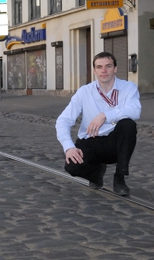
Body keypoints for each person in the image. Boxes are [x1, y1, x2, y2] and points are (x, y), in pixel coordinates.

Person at [55, 52, 141, 196]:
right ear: (95, 71)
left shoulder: (128, 88)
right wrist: (69, 147)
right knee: (72, 167)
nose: (104, 70)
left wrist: (105, 116)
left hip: (115, 143)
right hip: (91, 140)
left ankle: (119, 177)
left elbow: (135, 110)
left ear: (115, 69)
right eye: (99, 67)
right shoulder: (84, 91)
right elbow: (63, 120)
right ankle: (96, 173)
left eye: (108, 66)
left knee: (128, 125)